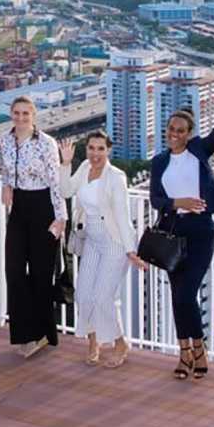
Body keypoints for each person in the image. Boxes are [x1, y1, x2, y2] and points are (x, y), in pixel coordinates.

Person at [149, 75, 214, 380]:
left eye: (181, 131)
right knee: (178, 296)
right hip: (172, 234)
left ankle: (197, 349)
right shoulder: (159, 162)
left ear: (190, 133)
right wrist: (176, 202)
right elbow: (156, 199)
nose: (175, 135)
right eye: (171, 130)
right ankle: (185, 353)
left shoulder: (199, 152)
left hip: (200, 233)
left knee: (186, 294)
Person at [58, 131, 146, 368]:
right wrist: (65, 163)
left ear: (108, 151)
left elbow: (122, 216)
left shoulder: (116, 177)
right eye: (91, 148)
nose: (95, 154)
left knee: (102, 297)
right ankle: (93, 341)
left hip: (114, 241)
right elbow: (65, 191)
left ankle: (119, 343)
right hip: (92, 241)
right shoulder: (85, 167)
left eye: (100, 149)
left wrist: (131, 250)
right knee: (84, 294)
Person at [0, 96, 67, 358]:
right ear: (11, 114)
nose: (20, 118)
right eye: (16, 113)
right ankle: (24, 333)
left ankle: (42, 334)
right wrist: (6, 184)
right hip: (19, 208)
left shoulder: (46, 143)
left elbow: (55, 182)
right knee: (14, 270)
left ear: (34, 116)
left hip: (43, 208)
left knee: (41, 274)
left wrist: (60, 218)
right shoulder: (5, 140)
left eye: (26, 113)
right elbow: (7, 168)